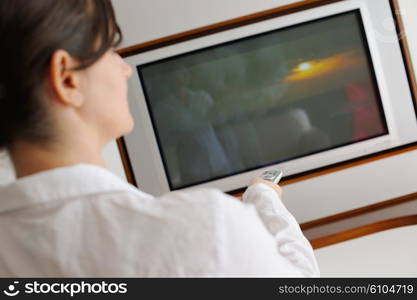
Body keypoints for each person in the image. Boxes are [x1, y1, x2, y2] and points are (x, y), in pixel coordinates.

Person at [0, 0, 319, 277]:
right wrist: (263, 199)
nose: (124, 68)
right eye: (110, 48)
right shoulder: (203, 230)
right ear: (67, 79)